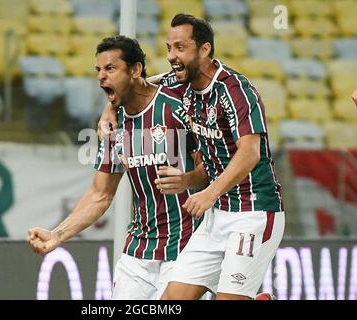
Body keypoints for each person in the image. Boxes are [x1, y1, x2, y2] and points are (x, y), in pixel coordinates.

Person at [98, 14, 285, 300]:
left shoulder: (235, 90)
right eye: (169, 48)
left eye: (180, 48)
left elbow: (250, 153)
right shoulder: (181, 81)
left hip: (254, 212)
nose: (172, 56)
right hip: (216, 216)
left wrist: (209, 192)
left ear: (204, 49)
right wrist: (109, 108)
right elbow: (139, 84)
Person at [28, 35, 208, 300]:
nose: (101, 76)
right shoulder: (112, 126)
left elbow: (210, 171)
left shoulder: (176, 107)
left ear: (135, 70)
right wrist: (57, 234)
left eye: (110, 68)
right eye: (98, 70)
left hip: (186, 246)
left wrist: (187, 179)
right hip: (138, 251)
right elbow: (101, 194)